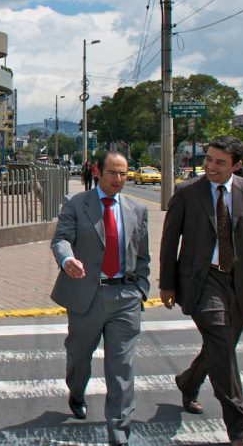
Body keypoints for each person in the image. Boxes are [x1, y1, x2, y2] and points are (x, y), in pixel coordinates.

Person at [159, 135, 243, 446]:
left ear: (237, 165)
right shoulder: (188, 192)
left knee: (221, 348)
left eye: (220, 162)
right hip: (203, 283)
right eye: (208, 159)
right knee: (221, 345)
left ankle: (188, 381)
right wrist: (167, 283)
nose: (210, 167)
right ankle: (240, 429)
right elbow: (169, 241)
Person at [51, 151, 150, 446]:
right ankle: (77, 392)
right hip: (86, 295)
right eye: (113, 173)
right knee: (79, 357)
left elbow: (142, 255)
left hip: (125, 296)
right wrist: (67, 259)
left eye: (124, 174)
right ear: (97, 172)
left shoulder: (138, 210)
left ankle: (119, 432)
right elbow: (61, 239)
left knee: (122, 367)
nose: (119, 180)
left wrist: (140, 288)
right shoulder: (77, 204)